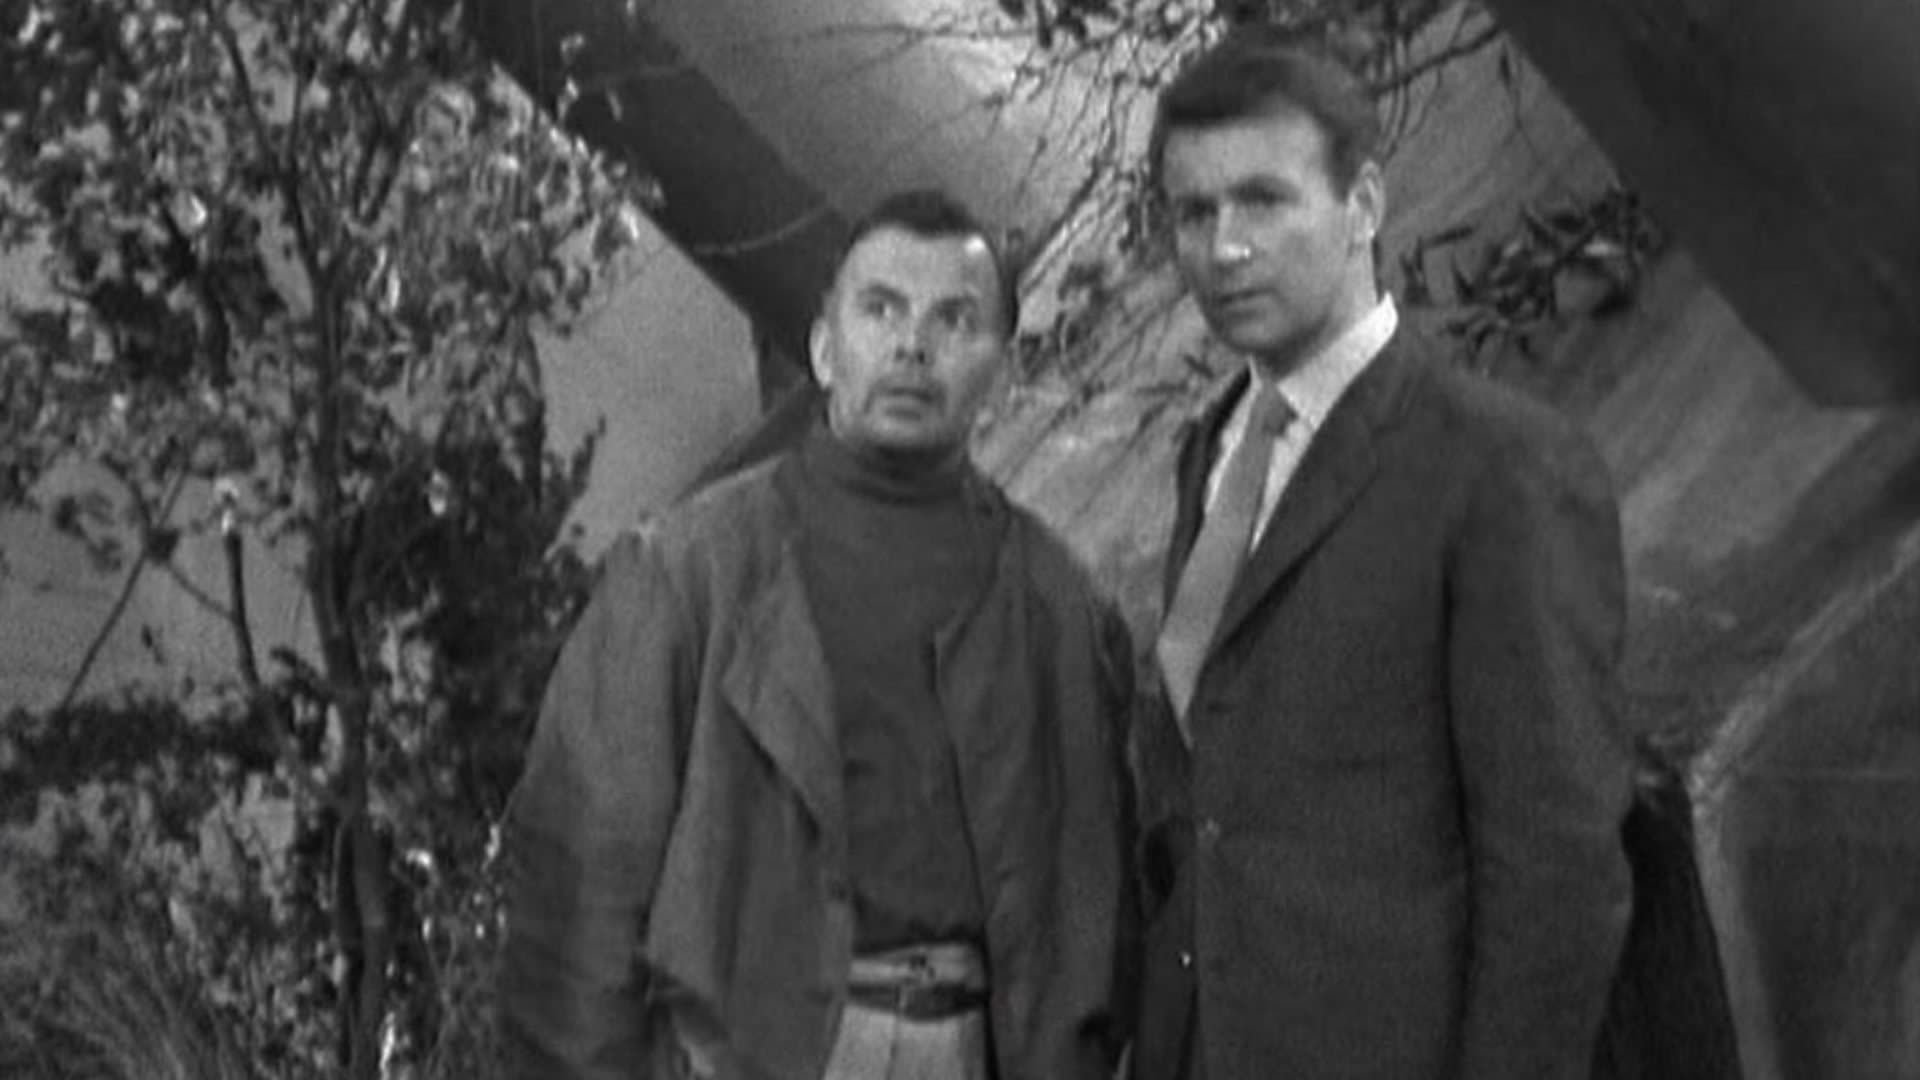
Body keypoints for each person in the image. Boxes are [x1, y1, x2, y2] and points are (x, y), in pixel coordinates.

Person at [497, 189, 1137, 1080]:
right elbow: (578, 895)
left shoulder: (1059, 604)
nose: (913, 346)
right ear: (826, 349)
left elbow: (1102, 913)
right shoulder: (689, 572)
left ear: (999, 365)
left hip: (973, 1046)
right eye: (882, 310)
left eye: (954, 320)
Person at [1131, 28, 1635, 1080]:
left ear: (1362, 205)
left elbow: (1557, 867)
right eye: (1194, 213)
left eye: (1263, 200)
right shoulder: (1211, 456)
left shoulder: (1495, 466)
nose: (1225, 247)